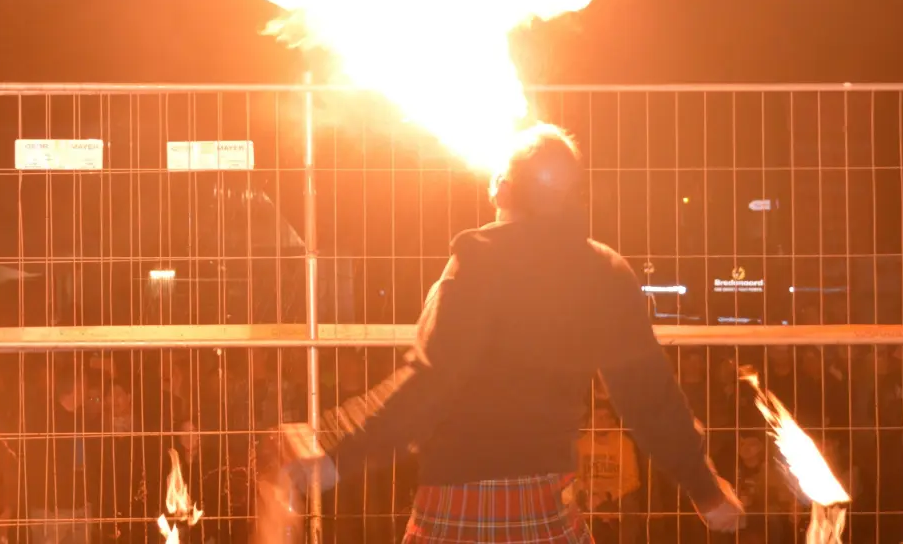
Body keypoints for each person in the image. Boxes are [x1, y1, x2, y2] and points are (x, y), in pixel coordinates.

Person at [263, 124, 745, 544]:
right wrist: (704, 488)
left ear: (499, 189)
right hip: (547, 508)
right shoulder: (605, 271)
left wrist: (334, 453)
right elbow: (649, 397)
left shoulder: (476, 262)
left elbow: (429, 384)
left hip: (458, 508)